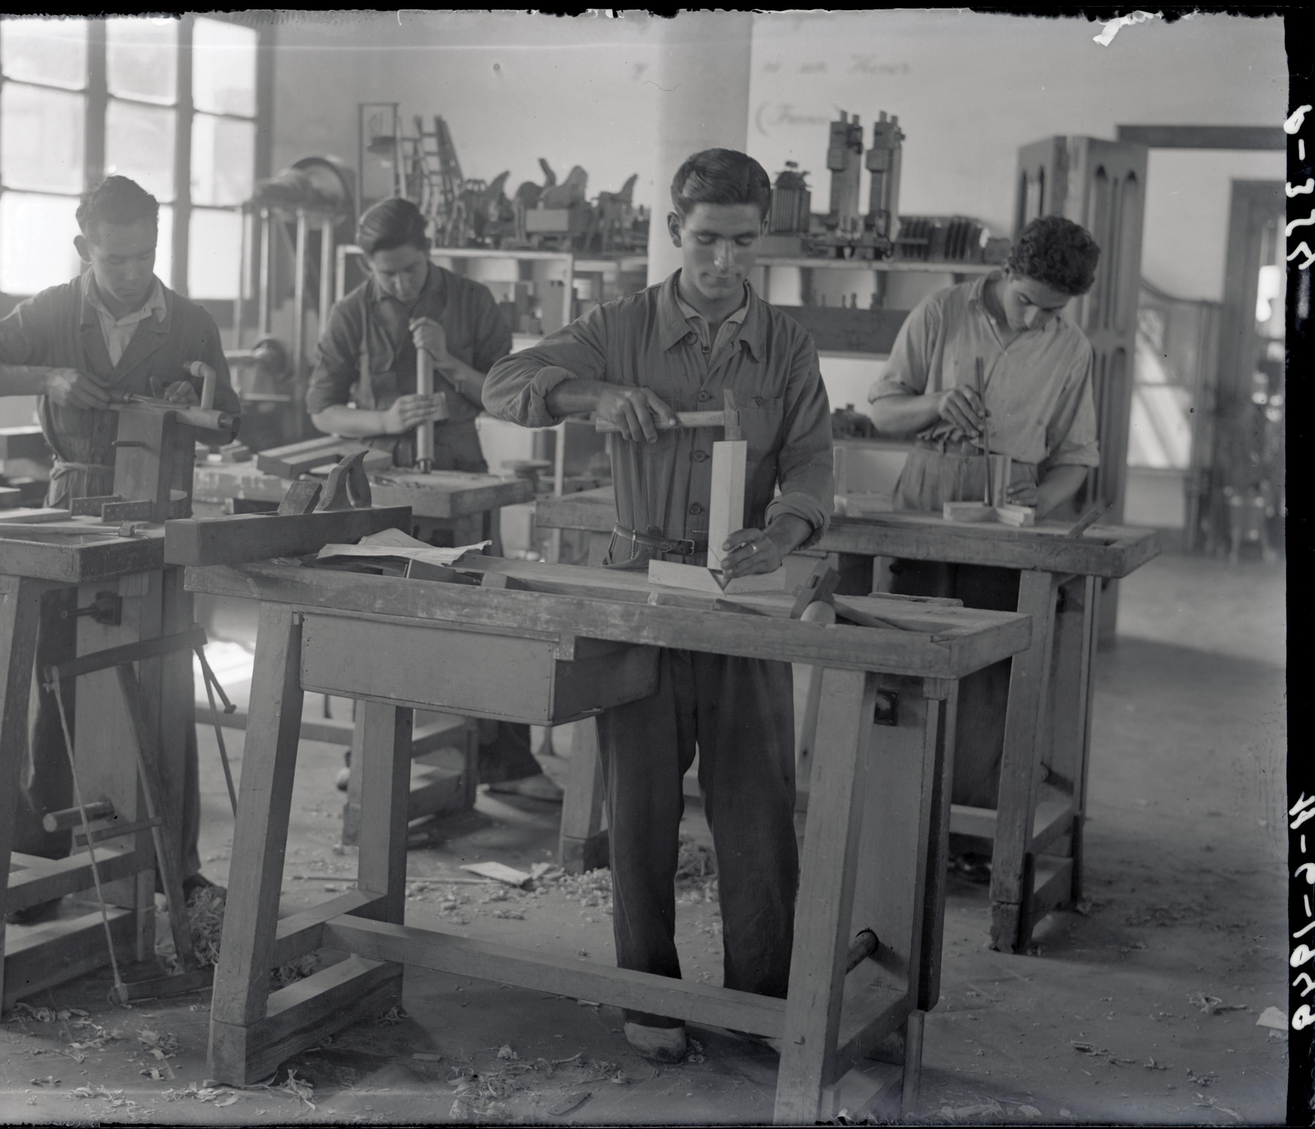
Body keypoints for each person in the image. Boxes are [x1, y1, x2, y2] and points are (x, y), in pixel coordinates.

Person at [482, 149, 834, 1063]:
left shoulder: (786, 345)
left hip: (741, 591)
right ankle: (649, 994)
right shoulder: (620, 326)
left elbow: (811, 461)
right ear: (674, 230)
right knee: (639, 810)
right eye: (708, 239)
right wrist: (592, 395)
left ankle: (759, 1001)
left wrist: (787, 533)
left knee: (757, 805)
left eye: (744, 243)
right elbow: (504, 385)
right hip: (639, 587)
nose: (724, 263)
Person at [0, 175, 240, 918]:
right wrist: (48, 376)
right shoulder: (52, 311)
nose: (134, 274)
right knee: (53, 679)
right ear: (84, 249)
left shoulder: (190, 323)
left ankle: (177, 867)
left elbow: (230, 422)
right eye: (116, 261)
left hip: (158, 512)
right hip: (73, 506)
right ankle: (42, 863)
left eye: (145, 256)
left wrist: (204, 406)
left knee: (165, 683)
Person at [865, 214, 1101, 880]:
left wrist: (1034, 507)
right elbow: (883, 409)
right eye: (1028, 300)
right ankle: (899, 833)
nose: (1034, 320)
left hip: (1009, 512)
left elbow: (1077, 457)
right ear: (1005, 272)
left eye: (1050, 311)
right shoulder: (942, 310)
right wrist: (937, 403)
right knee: (906, 666)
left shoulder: (1072, 346)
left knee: (991, 681)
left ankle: (969, 841)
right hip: (927, 500)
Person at [307, 197, 557, 802]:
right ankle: (368, 752)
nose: (398, 283)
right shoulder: (352, 312)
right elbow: (321, 407)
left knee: (488, 613)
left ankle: (506, 761)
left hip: (461, 475)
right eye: (385, 273)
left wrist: (447, 362)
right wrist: (384, 416)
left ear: (429, 253)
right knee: (378, 612)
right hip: (384, 484)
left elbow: (507, 398)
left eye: (409, 270)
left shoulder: (473, 302)